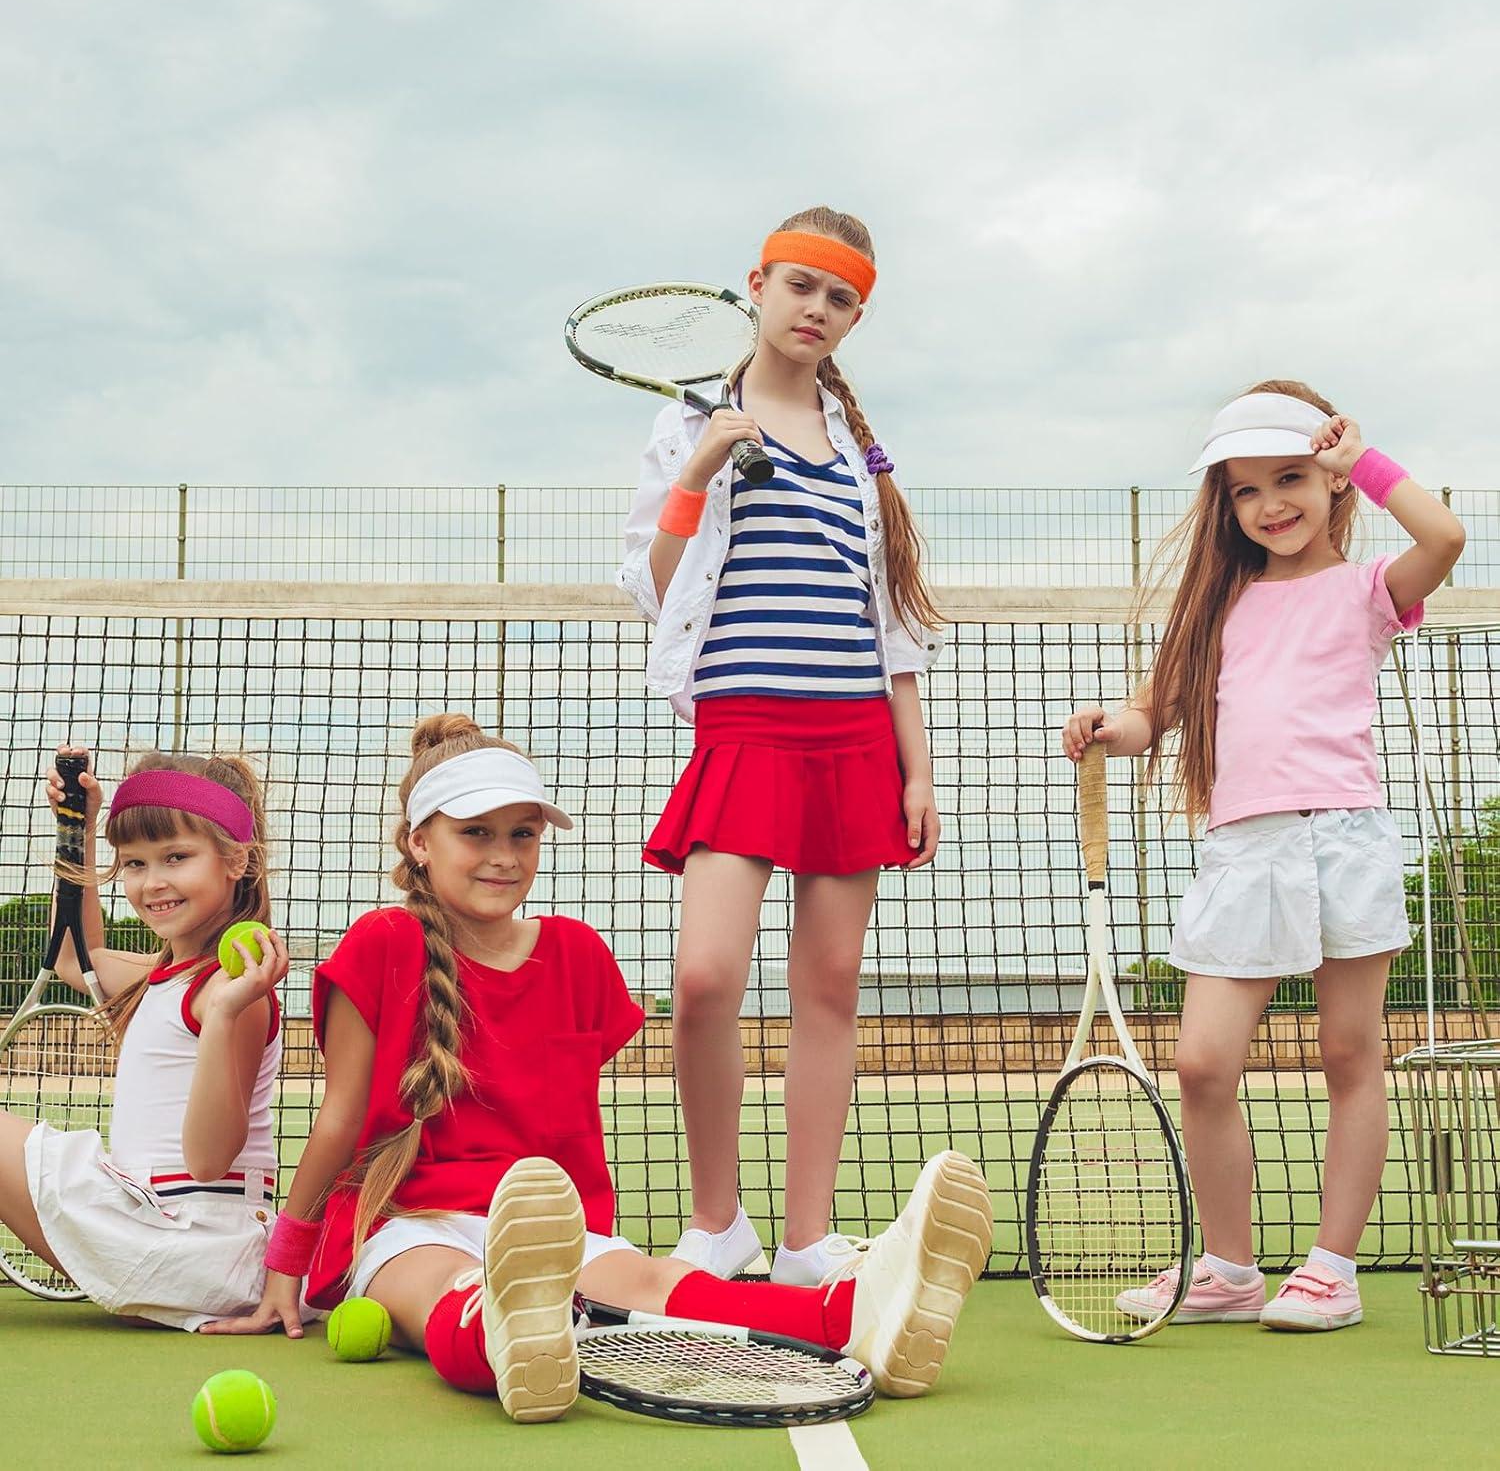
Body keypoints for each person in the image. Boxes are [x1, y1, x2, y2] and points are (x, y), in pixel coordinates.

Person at [213, 716, 992, 1424]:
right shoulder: (380, 944)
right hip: (406, 1223)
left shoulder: (578, 955)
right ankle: (509, 1335)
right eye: (476, 834)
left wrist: (568, 1248)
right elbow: (341, 1119)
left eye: (522, 835)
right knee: (450, 1287)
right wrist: (288, 1263)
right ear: (420, 842)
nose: (503, 856)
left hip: (551, 1227)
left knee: (656, 1285)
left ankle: (857, 1312)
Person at [1060, 382, 1465, 1331]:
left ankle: (1331, 1270)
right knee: (1203, 1063)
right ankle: (1231, 1270)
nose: (1272, 503)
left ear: (1332, 485)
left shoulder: (1368, 589)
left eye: (1291, 478)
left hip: (1344, 838)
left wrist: (1359, 456)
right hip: (1244, 849)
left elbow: (1442, 538)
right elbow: (1151, 714)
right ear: (1225, 506)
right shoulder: (1216, 608)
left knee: (1348, 1052)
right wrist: (1106, 728)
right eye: (1246, 490)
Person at [616, 206, 947, 1285]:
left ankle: (807, 1240)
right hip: (745, 731)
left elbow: (889, 626)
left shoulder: (860, 451)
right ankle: (720, 1224)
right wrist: (699, 470)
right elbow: (650, 587)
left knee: (831, 986)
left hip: (853, 739)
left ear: (857, 317)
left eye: (841, 296)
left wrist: (917, 767)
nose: (817, 309)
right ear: (755, 286)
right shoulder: (690, 420)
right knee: (706, 979)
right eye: (801, 285)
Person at [0, 746, 293, 1330]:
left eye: (176, 857)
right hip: (162, 1234)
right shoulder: (167, 978)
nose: (152, 883)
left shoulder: (228, 992)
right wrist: (76, 833)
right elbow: (70, 956)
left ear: (236, 860)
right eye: (134, 864)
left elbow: (209, 1160)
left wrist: (225, 1018)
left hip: (192, 1248)